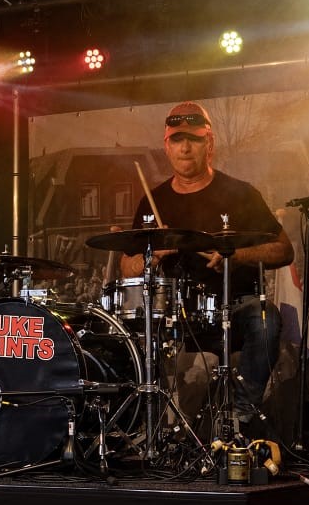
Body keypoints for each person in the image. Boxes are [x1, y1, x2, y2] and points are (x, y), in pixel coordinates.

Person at [120, 101, 294, 434]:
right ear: (166, 146)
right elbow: (126, 266)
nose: (185, 147)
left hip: (235, 304)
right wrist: (151, 257)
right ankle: (151, 430)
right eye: (177, 139)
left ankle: (241, 412)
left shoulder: (240, 193)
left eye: (194, 139)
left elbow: (283, 250)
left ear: (209, 144)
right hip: (178, 313)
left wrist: (234, 256)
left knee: (266, 319)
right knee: (137, 331)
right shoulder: (152, 201)